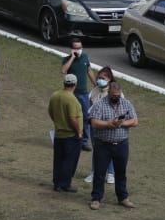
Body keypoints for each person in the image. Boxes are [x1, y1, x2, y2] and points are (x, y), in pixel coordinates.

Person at [87, 80, 138, 210]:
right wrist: (109, 124)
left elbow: (135, 121)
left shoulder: (126, 104)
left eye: (118, 95)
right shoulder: (100, 105)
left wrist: (121, 123)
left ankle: (123, 197)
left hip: (121, 144)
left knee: (121, 172)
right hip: (103, 144)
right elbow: (94, 123)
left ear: (120, 93)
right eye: (113, 95)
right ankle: (96, 198)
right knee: (100, 172)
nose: (116, 97)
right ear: (109, 93)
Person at [48, 74, 84, 192]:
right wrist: (78, 131)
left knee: (58, 159)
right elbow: (73, 118)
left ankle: (57, 183)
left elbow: (51, 112)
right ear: (75, 84)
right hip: (71, 135)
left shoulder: (55, 95)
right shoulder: (71, 99)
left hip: (59, 134)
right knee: (70, 161)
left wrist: (58, 122)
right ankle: (65, 184)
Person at [61, 36, 94, 152]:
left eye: (80, 47)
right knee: (71, 116)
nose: (79, 50)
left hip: (84, 93)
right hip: (72, 94)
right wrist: (72, 58)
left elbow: (89, 70)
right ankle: (71, 138)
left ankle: (84, 141)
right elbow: (64, 70)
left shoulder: (85, 57)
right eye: (76, 48)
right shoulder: (66, 59)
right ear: (71, 49)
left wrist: (95, 84)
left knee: (85, 117)